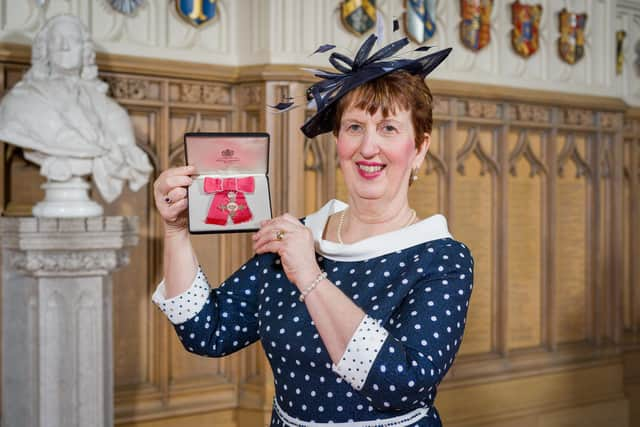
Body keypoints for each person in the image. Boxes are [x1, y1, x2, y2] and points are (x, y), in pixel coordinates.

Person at [152, 34, 473, 427]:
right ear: (337, 140)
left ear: (419, 148)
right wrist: (175, 231)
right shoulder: (301, 236)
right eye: (354, 127)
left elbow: (401, 384)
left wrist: (309, 276)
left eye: (388, 128)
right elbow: (208, 331)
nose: (368, 147)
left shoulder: (441, 258)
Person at [0, 14, 151, 203]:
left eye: (73, 40)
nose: (65, 47)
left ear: (85, 51)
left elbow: (132, 158)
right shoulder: (19, 102)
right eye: (57, 40)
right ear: (45, 49)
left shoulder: (111, 111)